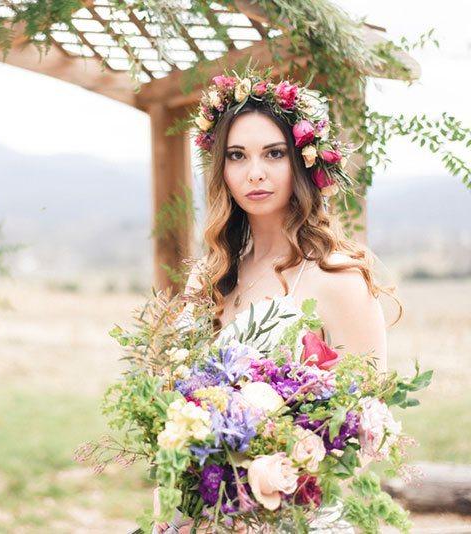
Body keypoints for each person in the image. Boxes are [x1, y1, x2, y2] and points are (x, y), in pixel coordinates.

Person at [152, 74, 401, 534]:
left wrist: (271, 486)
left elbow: (369, 429)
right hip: (202, 516)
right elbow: (170, 398)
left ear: (303, 162)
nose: (255, 173)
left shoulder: (338, 277)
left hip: (296, 518)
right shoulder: (207, 277)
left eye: (274, 153)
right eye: (237, 156)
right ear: (221, 169)